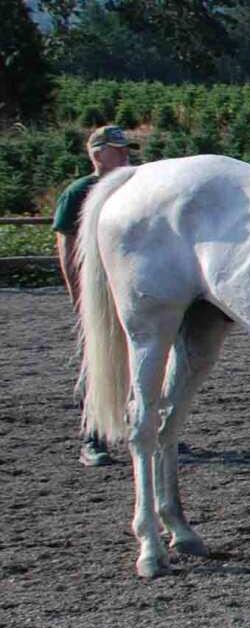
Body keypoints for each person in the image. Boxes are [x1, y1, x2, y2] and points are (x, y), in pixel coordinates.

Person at [53, 125, 136, 464]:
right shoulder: (79, 192)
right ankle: (93, 439)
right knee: (98, 359)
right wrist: (79, 294)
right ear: (97, 154)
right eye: (117, 149)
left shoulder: (134, 186)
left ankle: (144, 427)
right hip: (98, 289)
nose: (126, 154)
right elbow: (67, 248)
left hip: (129, 288)